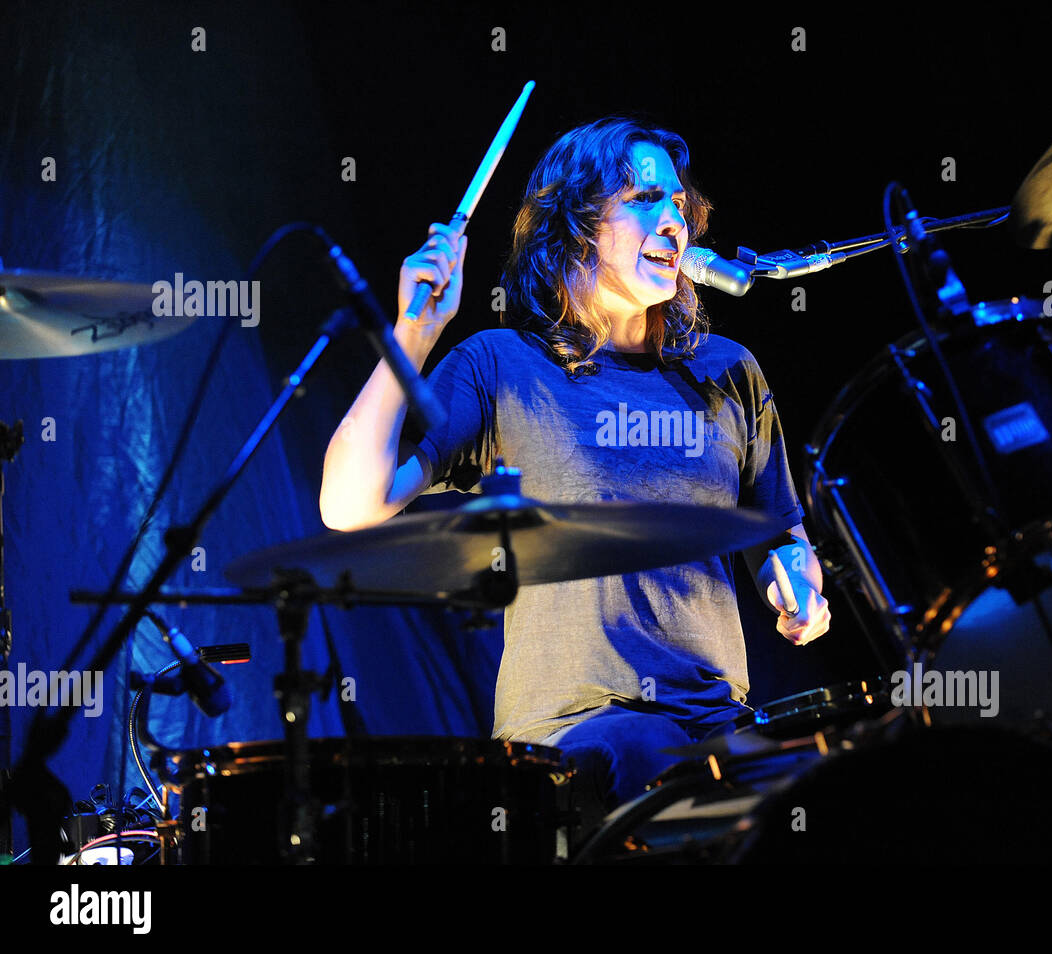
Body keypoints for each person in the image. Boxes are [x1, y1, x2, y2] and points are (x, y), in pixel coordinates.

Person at [319, 117, 831, 829]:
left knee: (834, 787)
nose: (674, 220)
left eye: (680, 205)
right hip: (577, 734)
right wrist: (413, 331)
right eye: (647, 199)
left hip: (718, 721)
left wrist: (798, 584)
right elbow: (349, 503)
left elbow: (782, 536)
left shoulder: (729, 372)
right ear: (576, 221)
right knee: (651, 760)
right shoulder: (502, 365)